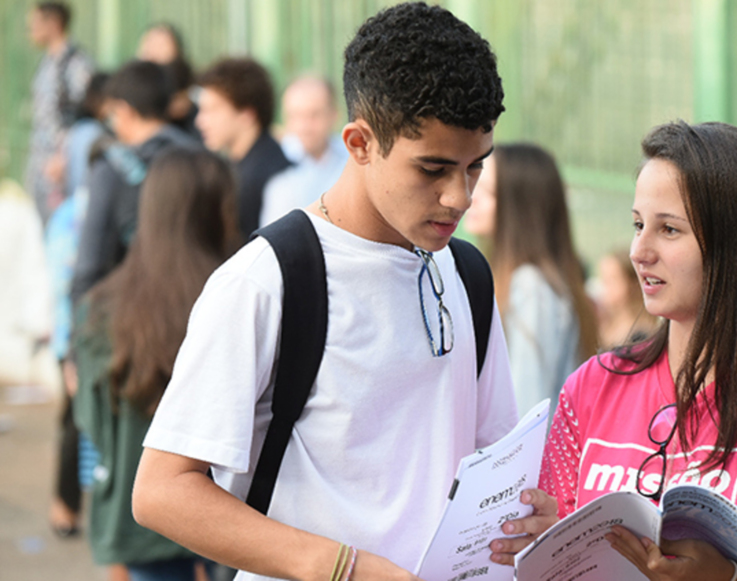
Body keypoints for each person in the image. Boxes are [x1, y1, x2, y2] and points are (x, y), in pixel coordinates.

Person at [132, 4, 517, 581]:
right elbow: (161, 491)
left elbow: (492, 463)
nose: (459, 197)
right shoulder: (268, 280)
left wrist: (522, 516)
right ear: (359, 143)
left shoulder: (465, 274)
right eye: (433, 169)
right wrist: (342, 567)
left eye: (475, 167)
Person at [489, 121, 737, 580]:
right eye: (638, 225)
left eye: (669, 230)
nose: (639, 250)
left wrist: (731, 578)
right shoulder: (593, 385)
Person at [73, 148, 240, 580]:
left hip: (136, 516)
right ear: (214, 209)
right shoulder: (236, 296)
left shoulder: (100, 309)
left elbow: (90, 420)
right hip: (230, 516)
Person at [463, 143, 598, 414]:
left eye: (487, 191)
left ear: (520, 207)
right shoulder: (524, 280)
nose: (470, 195)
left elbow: (525, 407)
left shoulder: (531, 287)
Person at [70, 59, 197, 306]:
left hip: (135, 315)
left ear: (124, 110)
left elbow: (90, 262)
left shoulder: (112, 167)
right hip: (197, 307)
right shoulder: (201, 159)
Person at [43, 71, 109, 541]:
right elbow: (64, 283)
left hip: (92, 335)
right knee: (74, 421)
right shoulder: (74, 218)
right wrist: (68, 348)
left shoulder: (79, 213)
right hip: (78, 336)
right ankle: (65, 503)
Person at [195, 57, 291, 237]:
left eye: (212, 110)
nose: (200, 121)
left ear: (247, 115)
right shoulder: (239, 167)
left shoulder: (271, 177)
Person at [24, 1, 94, 223]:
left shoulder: (76, 64)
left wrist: (63, 157)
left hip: (61, 171)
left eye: (34, 24)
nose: (30, 31)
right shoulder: (47, 62)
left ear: (53, 23)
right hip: (41, 166)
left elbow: (83, 114)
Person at [259, 76, 349, 226]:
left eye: (314, 115)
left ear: (334, 114)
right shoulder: (274, 165)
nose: (304, 126)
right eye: (295, 116)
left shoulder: (353, 158)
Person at [136, 23, 200, 139]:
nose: (153, 52)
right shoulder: (134, 83)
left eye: (161, 45)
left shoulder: (186, 85)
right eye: (150, 44)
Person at [595, 248, 659, 349]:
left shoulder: (642, 334)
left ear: (632, 283)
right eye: (604, 280)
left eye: (612, 280)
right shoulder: (603, 326)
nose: (606, 288)